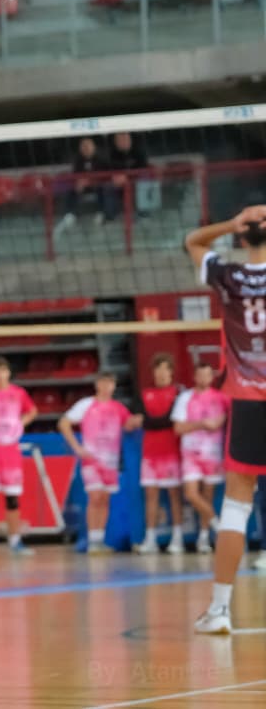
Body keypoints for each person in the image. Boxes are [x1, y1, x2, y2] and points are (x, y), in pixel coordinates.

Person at [185, 206, 266, 634]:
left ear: (242, 238)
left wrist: (232, 223)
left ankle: (219, 610)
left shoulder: (229, 277)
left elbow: (193, 242)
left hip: (249, 401)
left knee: (237, 504)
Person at [59, 371, 142, 554]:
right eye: (103, 382)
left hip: (110, 461)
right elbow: (64, 422)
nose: (106, 387)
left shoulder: (118, 408)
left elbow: (128, 424)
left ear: (114, 386)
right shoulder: (86, 404)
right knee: (95, 496)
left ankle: (99, 539)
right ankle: (92, 541)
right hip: (92, 459)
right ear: (97, 384)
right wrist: (77, 447)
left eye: (110, 383)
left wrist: (141, 419)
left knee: (104, 498)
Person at [0, 357, 38, 555]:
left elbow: (32, 410)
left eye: (3, 371)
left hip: (11, 453)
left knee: (12, 498)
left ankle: (15, 540)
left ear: (8, 373)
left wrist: (21, 423)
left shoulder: (18, 393)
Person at [172, 361, 228, 553]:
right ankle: (218, 526)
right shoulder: (185, 398)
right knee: (191, 493)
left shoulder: (221, 398)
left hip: (213, 454)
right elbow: (178, 428)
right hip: (191, 454)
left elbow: (225, 419)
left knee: (208, 495)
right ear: (194, 377)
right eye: (200, 375)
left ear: (211, 377)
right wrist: (202, 424)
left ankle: (204, 539)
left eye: (207, 375)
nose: (203, 379)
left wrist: (218, 422)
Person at [135, 353, 185, 556]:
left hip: (171, 452)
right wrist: (150, 422)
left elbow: (167, 420)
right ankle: (150, 540)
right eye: (158, 369)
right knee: (151, 496)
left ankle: (178, 538)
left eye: (165, 368)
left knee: (174, 496)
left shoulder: (178, 394)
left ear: (171, 372)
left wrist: (150, 422)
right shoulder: (144, 394)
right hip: (150, 454)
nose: (161, 373)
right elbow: (145, 421)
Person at [56, 137, 109, 234]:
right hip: (84, 187)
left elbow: (105, 177)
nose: (86, 148)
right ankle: (70, 214)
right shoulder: (78, 161)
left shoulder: (101, 160)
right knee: (71, 190)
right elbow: (75, 176)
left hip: (97, 185)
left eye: (88, 146)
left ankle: (102, 213)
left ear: (93, 147)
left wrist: (91, 181)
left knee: (104, 189)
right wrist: (78, 183)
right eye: (83, 146)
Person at [105, 132, 150, 222]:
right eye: (120, 140)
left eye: (125, 139)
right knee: (108, 186)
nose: (123, 142)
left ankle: (144, 213)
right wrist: (114, 177)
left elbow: (144, 169)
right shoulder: (111, 154)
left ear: (130, 140)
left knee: (144, 181)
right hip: (119, 183)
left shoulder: (139, 152)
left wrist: (128, 177)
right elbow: (108, 170)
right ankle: (110, 216)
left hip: (136, 180)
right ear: (116, 142)